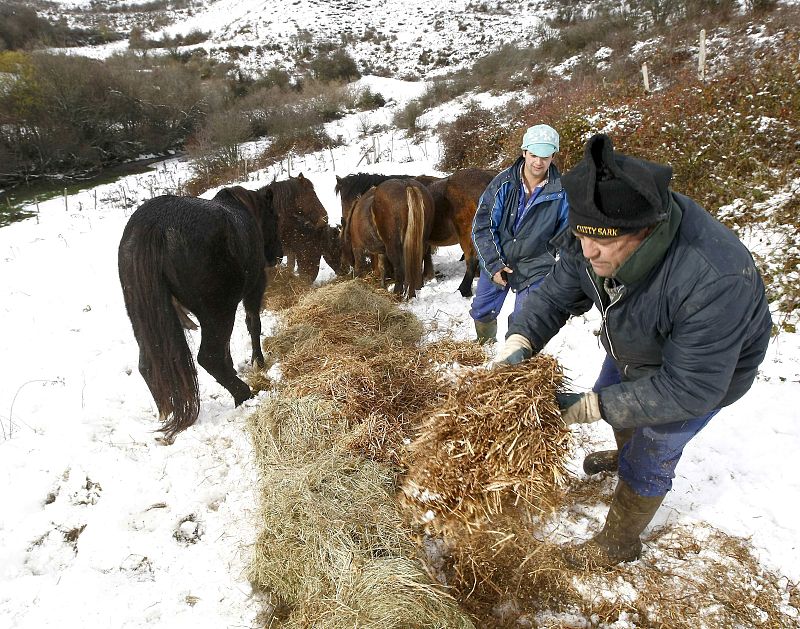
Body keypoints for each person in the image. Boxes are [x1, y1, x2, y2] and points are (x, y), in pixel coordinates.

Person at [495, 133, 772, 569]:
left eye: (602, 243)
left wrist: (589, 407)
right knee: (611, 392)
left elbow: (692, 387)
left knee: (651, 452)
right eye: (581, 237)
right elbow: (555, 295)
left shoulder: (713, 276)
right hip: (635, 342)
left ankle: (619, 542)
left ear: (647, 229)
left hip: (703, 375)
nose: (588, 252)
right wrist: (519, 341)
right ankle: (624, 454)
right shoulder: (594, 235)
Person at [470, 124, 570, 344]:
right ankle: (484, 346)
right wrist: (494, 264)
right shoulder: (503, 184)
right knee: (482, 311)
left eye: (545, 156)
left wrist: (564, 273)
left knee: (525, 320)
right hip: (500, 257)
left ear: (553, 155)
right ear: (524, 151)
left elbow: (566, 235)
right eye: (533, 155)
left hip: (536, 264)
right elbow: (483, 226)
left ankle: (513, 363)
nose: (538, 162)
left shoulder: (561, 191)